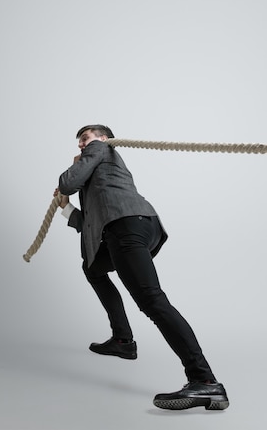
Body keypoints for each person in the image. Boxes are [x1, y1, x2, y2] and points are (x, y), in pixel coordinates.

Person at [54, 124, 229, 411]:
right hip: (126, 226)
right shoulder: (100, 171)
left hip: (126, 225)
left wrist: (70, 178)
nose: (81, 145)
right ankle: (122, 340)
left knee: (152, 301)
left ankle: (205, 381)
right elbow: (91, 222)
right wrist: (65, 209)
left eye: (85, 139)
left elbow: (67, 183)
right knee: (93, 268)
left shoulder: (100, 149)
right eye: (80, 141)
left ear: (104, 139)